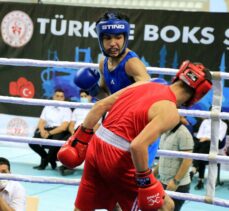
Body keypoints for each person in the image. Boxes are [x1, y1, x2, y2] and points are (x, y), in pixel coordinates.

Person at [58, 60, 212, 210]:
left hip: (96, 146)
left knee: (84, 207)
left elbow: (100, 105)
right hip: (119, 159)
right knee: (165, 206)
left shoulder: (145, 83)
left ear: (179, 75)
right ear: (199, 95)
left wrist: (78, 140)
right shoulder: (170, 112)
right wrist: (146, 183)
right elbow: (137, 146)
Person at [74, 10, 150, 99]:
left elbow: (148, 94)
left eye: (118, 37)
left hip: (134, 112)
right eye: (107, 38)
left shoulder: (131, 63)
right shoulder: (103, 63)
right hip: (117, 111)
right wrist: (93, 89)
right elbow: (106, 97)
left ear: (125, 38)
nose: (113, 43)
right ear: (101, 40)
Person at [153, 121, 194, 211]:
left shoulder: (184, 133)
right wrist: (153, 174)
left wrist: (176, 181)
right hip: (162, 182)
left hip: (178, 185)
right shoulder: (164, 132)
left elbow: (187, 160)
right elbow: (163, 157)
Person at [29, 89, 72, 170]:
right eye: (57, 96)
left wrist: (49, 133)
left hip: (59, 131)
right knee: (32, 143)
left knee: (54, 143)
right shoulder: (47, 106)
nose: (59, 98)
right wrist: (42, 131)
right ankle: (48, 159)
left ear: (64, 98)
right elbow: (42, 121)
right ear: (53, 97)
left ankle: (45, 162)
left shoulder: (67, 109)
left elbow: (64, 127)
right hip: (46, 129)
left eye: (61, 97)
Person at [190, 112, 227, 190]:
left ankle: (195, 168)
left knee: (205, 145)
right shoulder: (205, 122)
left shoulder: (223, 124)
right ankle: (199, 178)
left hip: (215, 143)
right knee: (200, 148)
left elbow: (219, 138)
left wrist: (207, 138)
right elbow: (199, 134)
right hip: (202, 143)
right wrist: (203, 139)